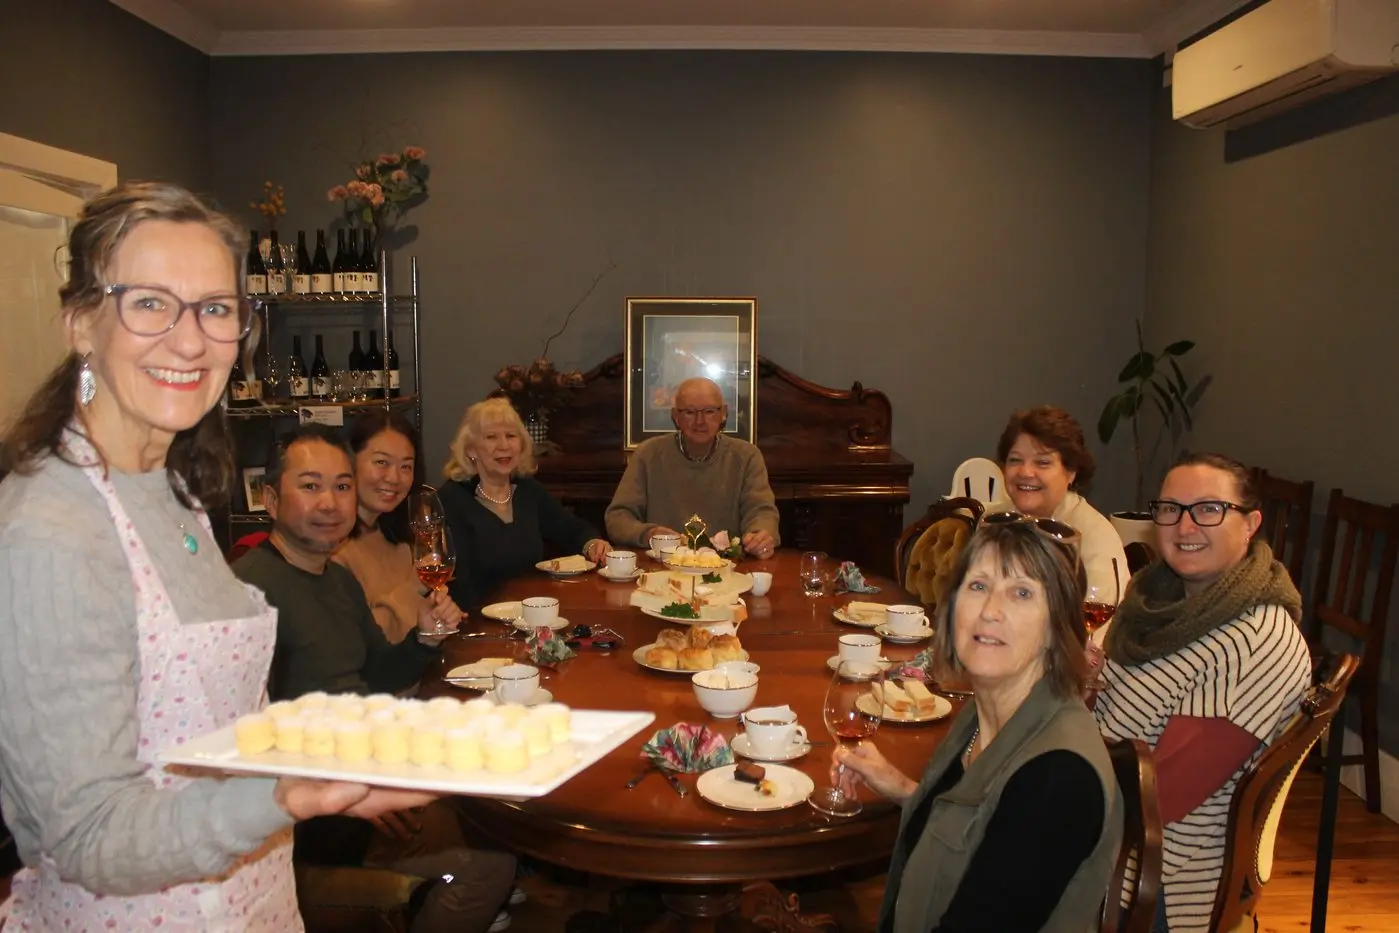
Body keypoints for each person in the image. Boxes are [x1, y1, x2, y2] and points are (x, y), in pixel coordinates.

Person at [0, 182, 429, 929]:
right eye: (148, 302)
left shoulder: (174, 490)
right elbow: (86, 832)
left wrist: (342, 757)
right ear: (80, 324)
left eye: (215, 308)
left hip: (255, 898)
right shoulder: (50, 528)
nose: (191, 340)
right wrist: (285, 794)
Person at [232, 423, 516, 933]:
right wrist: (356, 786)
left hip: (361, 776)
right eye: (311, 485)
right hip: (314, 819)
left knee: (494, 806)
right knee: (493, 865)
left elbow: (377, 674)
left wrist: (424, 638)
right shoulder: (249, 590)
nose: (331, 502)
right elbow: (244, 735)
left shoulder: (334, 576)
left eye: (342, 486)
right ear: (271, 500)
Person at [831, 519, 1123, 932]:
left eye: (1021, 593)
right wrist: (902, 787)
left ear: (1057, 629)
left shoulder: (1057, 777)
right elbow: (981, 825)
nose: (990, 611)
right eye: (978, 586)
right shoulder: (984, 715)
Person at [1093, 453, 1310, 933]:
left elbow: (1161, 796)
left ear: (1250, 523)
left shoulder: (1257, 642)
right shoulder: (1164, 600)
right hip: (1112, 819)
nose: (1184, 525)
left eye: (1209, 509)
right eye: (1170, 508)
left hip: (1155, 878)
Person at [440, 398, 608, 609]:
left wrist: (593, 543)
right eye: (491, 437)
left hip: (532, 611)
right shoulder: (451, 499)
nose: (504, 446)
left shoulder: (528, 490)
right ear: (471, 449)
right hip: (476, 620)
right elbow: (457, 583)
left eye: (511, 436)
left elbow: (569, 527)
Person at [604, 377, 780, 557]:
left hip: (728, 569)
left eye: (710, 411)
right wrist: (648, 534)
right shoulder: (648, 454)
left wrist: (760, 536)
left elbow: (761, 512)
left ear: (723, 414)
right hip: (662, 570)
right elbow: (618, 517)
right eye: (689, 412)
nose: (700, 421)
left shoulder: (746, 456)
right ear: (676, 416)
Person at [334, 409, 465, 644]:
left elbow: (417, 628)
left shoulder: (399, 536)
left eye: (406, 466)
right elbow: (360, 645)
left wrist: (441, 615)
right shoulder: (331, 550)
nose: (395, 478)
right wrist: (414, 588)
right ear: (349, 462)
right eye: (382, 462)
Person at [993, 405, 1131, 602]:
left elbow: (1096, 626)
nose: (1025, 472)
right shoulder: (995, 522)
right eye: (1015, 460)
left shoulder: (1095, 537)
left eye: (1042, 463)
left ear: (1071, 472)